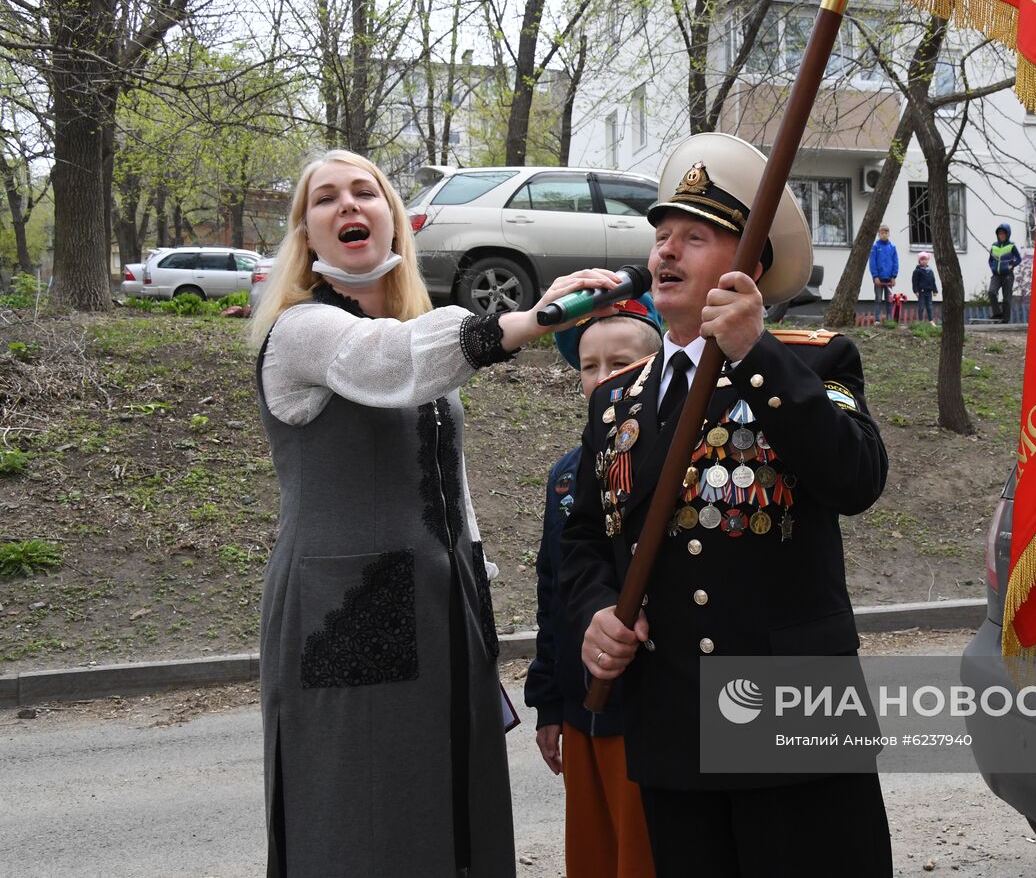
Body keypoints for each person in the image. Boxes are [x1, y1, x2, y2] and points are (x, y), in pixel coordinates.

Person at [248, 149, 624, 878]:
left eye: (366, 192)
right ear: (306, 233)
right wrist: (529, 318)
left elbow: (454, 490)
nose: (348, 205)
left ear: (393, 218)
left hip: (441, 607)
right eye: (326, 198)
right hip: (343, 613)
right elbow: (387, 359)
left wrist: (475, 599)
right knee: (362, 817)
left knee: (454, 805)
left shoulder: (418, 335)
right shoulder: (301, 331)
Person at [560, 133, 893, 876]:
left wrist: (754, 354)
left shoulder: (814, 360)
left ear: (750, 267)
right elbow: (584, 536)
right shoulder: (617, 400)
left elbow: (857, 478)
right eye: (661, 235)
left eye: (695, 237)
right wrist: (597, 611)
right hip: (672, 720)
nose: (666, 251)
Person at [525, 297, 663, 878]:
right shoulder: (567, 474)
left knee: (646, 854)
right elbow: (554, 589)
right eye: (590, 366)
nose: (604, 378)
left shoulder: (675, 457)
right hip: (583, 707)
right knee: (594, 857)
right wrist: (549, 702)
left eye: (622, 363)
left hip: (649, 710)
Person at [987, 222, 1022, 324]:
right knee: (991, 292)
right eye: (1000, 234)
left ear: (1007, 234)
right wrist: (992, 267)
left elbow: (1019, 259)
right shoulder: (994, 246)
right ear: (997, 235)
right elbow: (990, 260)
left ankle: (1005, 319)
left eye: (1003, 234)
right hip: (996, 275)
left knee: (1006, 299)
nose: (1001, 235)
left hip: (1007, 275)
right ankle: (997, 314)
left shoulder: (1011, 246)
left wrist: (1012, 265)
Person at [868, 223, 898, 322]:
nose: (884, 235)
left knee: (889, 300)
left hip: (889, 278)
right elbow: (872, 263)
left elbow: (895, 262)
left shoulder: (892, 247)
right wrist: (875, 276)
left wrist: (894, 276)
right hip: (879, 278)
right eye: (882, 233)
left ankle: (889, 320)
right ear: (878, 234)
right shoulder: (875, 247)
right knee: (878, 299)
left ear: (889, 234)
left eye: (886, 233)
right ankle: (877, 320)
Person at [911, 250, 938, 323]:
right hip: (921, 292)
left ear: (928, 260)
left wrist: (935, 290)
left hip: (929, 291)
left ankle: (931, 320)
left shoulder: (930, 271)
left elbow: (933, 281)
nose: (924, 261)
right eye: (922, 259)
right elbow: (914, 282)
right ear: (919, 261)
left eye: (925, 259)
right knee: (921, 307)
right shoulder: (917, 271)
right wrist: (915, 291)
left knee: (929, 306)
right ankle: (920, 321)